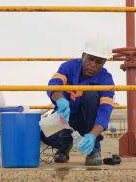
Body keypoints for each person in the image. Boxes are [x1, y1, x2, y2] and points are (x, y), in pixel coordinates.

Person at [41, 36, 115, 166]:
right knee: (41, 131)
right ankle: (64, 147)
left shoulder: (106, 79)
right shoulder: (68, 67)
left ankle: (94, 150)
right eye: (90, 59)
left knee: (91, 95)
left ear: (104, 63)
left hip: (87, 122)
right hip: (65, 117)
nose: (93, 65)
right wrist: (60, 99)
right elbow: (54, 84)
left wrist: (93, 135)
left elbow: (105, 111)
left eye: (99, 62)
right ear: (83, 56)